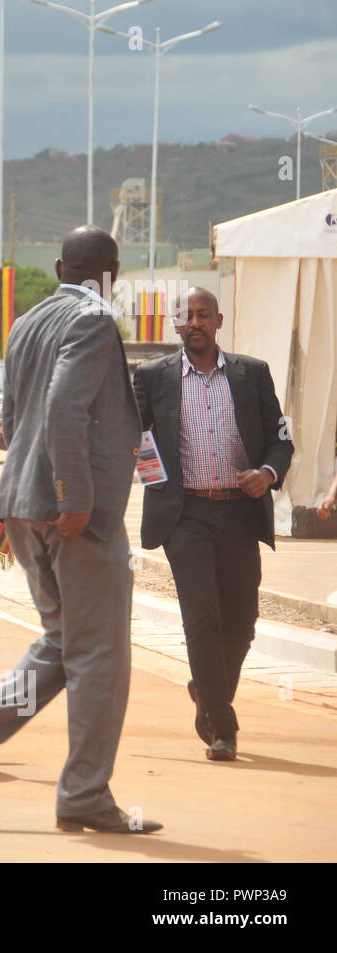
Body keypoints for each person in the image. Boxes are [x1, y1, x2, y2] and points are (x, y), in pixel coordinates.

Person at [0, 226, 162, 834]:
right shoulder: (93, 320)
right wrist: (77, 496)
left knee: (65, 645)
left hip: (25, 504)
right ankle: (85, 794)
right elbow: (64, 407)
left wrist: (35, 493)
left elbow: (13, 413)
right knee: (102, 656)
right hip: (71, 513)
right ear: (111, 273)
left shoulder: (27, 323)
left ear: (61, 266)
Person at [133, 288, 293, 762]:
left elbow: (281, 439)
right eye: (187, 316)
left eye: (204, 314)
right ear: (176, 324)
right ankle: (224, 727)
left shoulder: (252, 374)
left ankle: (206, 689)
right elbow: (136, 438)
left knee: (241, 623)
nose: (195, 322)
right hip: (186, 517)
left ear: (219, 320)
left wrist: (265, 475)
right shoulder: (152, 377)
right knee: (201, 618)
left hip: (240, 514)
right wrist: (158, 484)